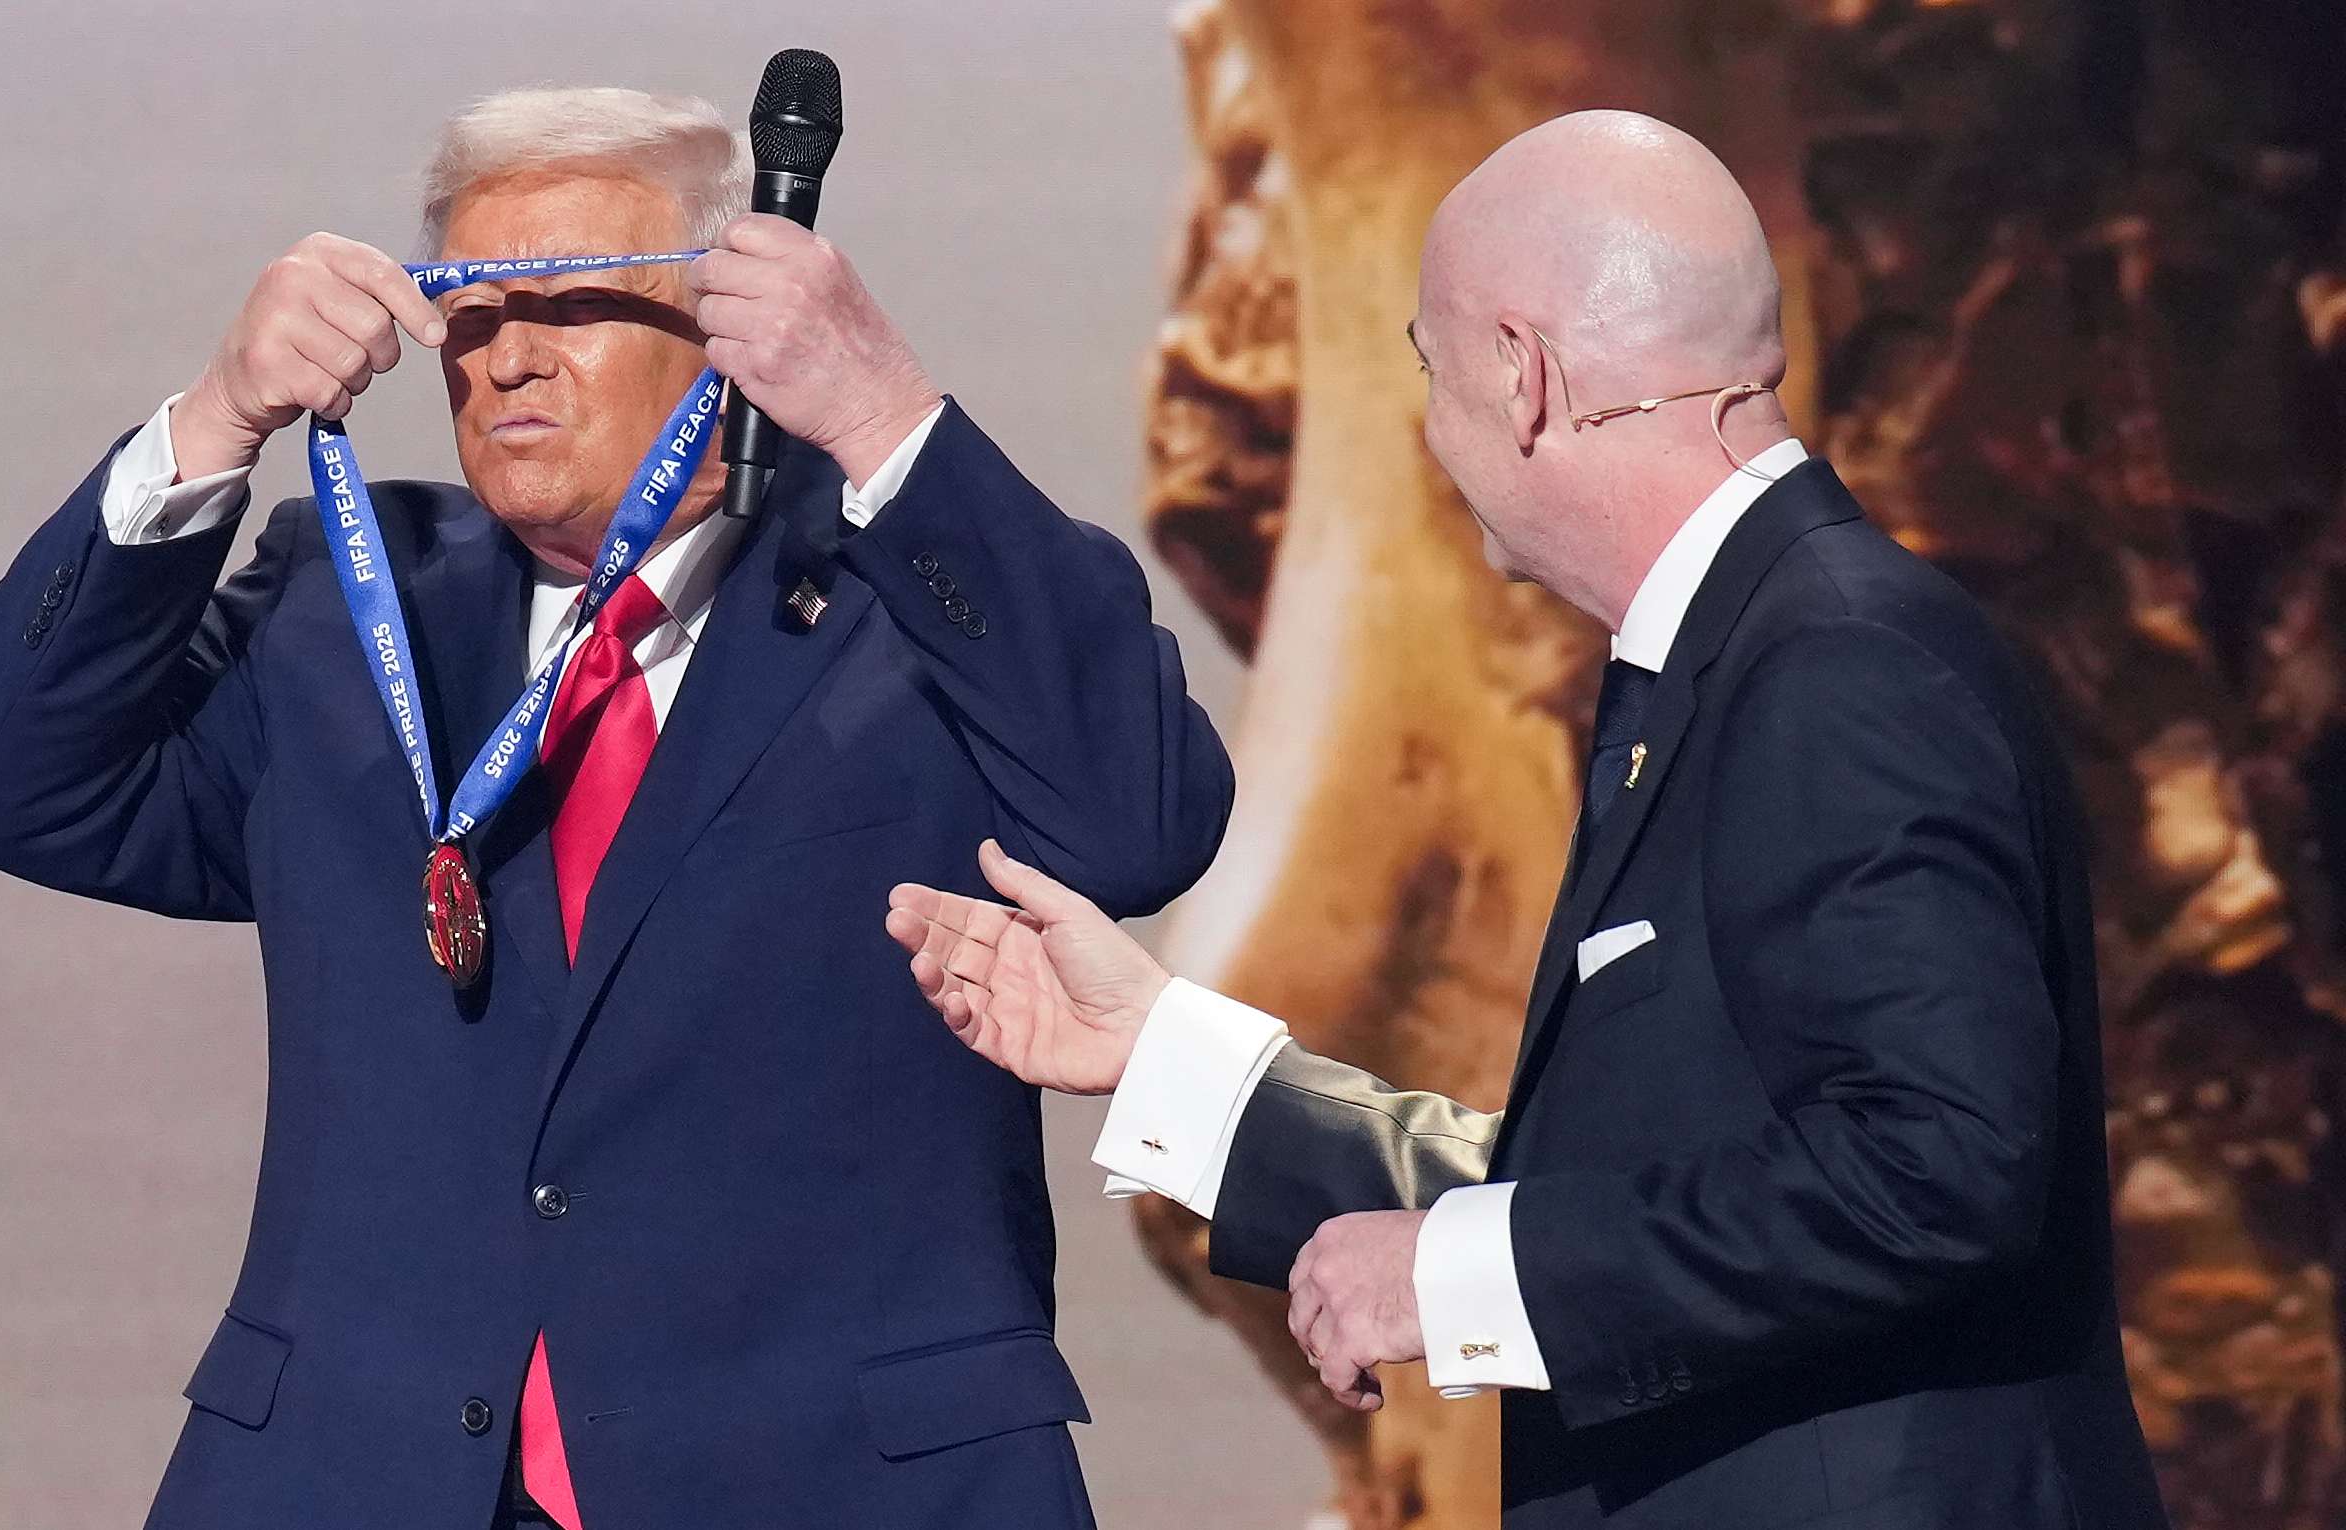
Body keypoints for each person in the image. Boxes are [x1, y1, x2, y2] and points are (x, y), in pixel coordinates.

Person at [0, 86, 1231, 1530]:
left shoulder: (910, 611)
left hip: (827, 1481)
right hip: (360, 1474)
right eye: (467, 313)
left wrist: (875, 410)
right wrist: (213, 421)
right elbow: (0, 775)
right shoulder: (348, 611)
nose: (511, 358)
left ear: (732, 331)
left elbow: (1139, 821)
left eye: (574, 305)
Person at [886, 111, 2167, 1529]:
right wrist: (1160, 1050)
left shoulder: (1835, 664)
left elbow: (1931, 1166)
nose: (1431, 430)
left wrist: (1460, 1278)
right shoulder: (1734, 659)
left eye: (1430, 371)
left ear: (1527, 375)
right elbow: (1636, 1179)